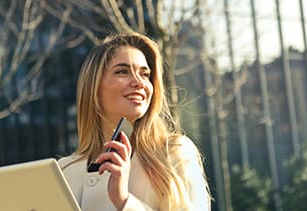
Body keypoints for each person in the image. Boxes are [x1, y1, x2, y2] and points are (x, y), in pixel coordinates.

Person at [58, 32, 211, 211]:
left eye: (145, 74)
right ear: (93, 88)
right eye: (122, 72)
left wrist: (124, 200)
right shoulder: (65, 171)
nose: (139, 82)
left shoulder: (174, 153)